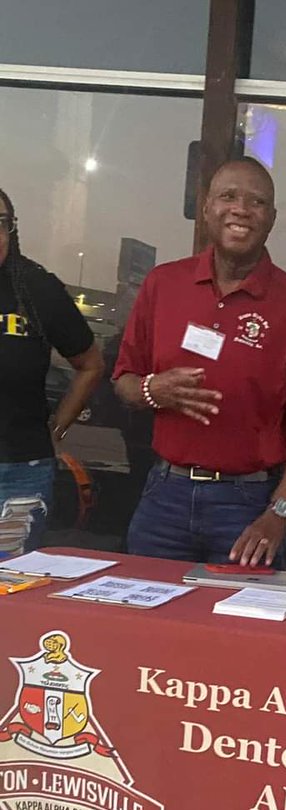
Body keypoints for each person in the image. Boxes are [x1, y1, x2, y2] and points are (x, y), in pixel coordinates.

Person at [113, 157, 286, 566]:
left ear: (271, 218)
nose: (240, 209)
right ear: (206, 207)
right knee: (148, 625)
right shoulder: (163, 285)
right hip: (164, 496)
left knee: (238, 628)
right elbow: (124, 381)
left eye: (256, 202)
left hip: (247, 505)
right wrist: (154, 389)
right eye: (228, 196)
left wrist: (278, 515)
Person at [0, 186, 103, 550]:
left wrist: (57, 427)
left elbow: (90, 364)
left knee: (10, 593)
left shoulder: (36, 287)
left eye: (0, 223)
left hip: (18, 474)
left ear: (11, 230)